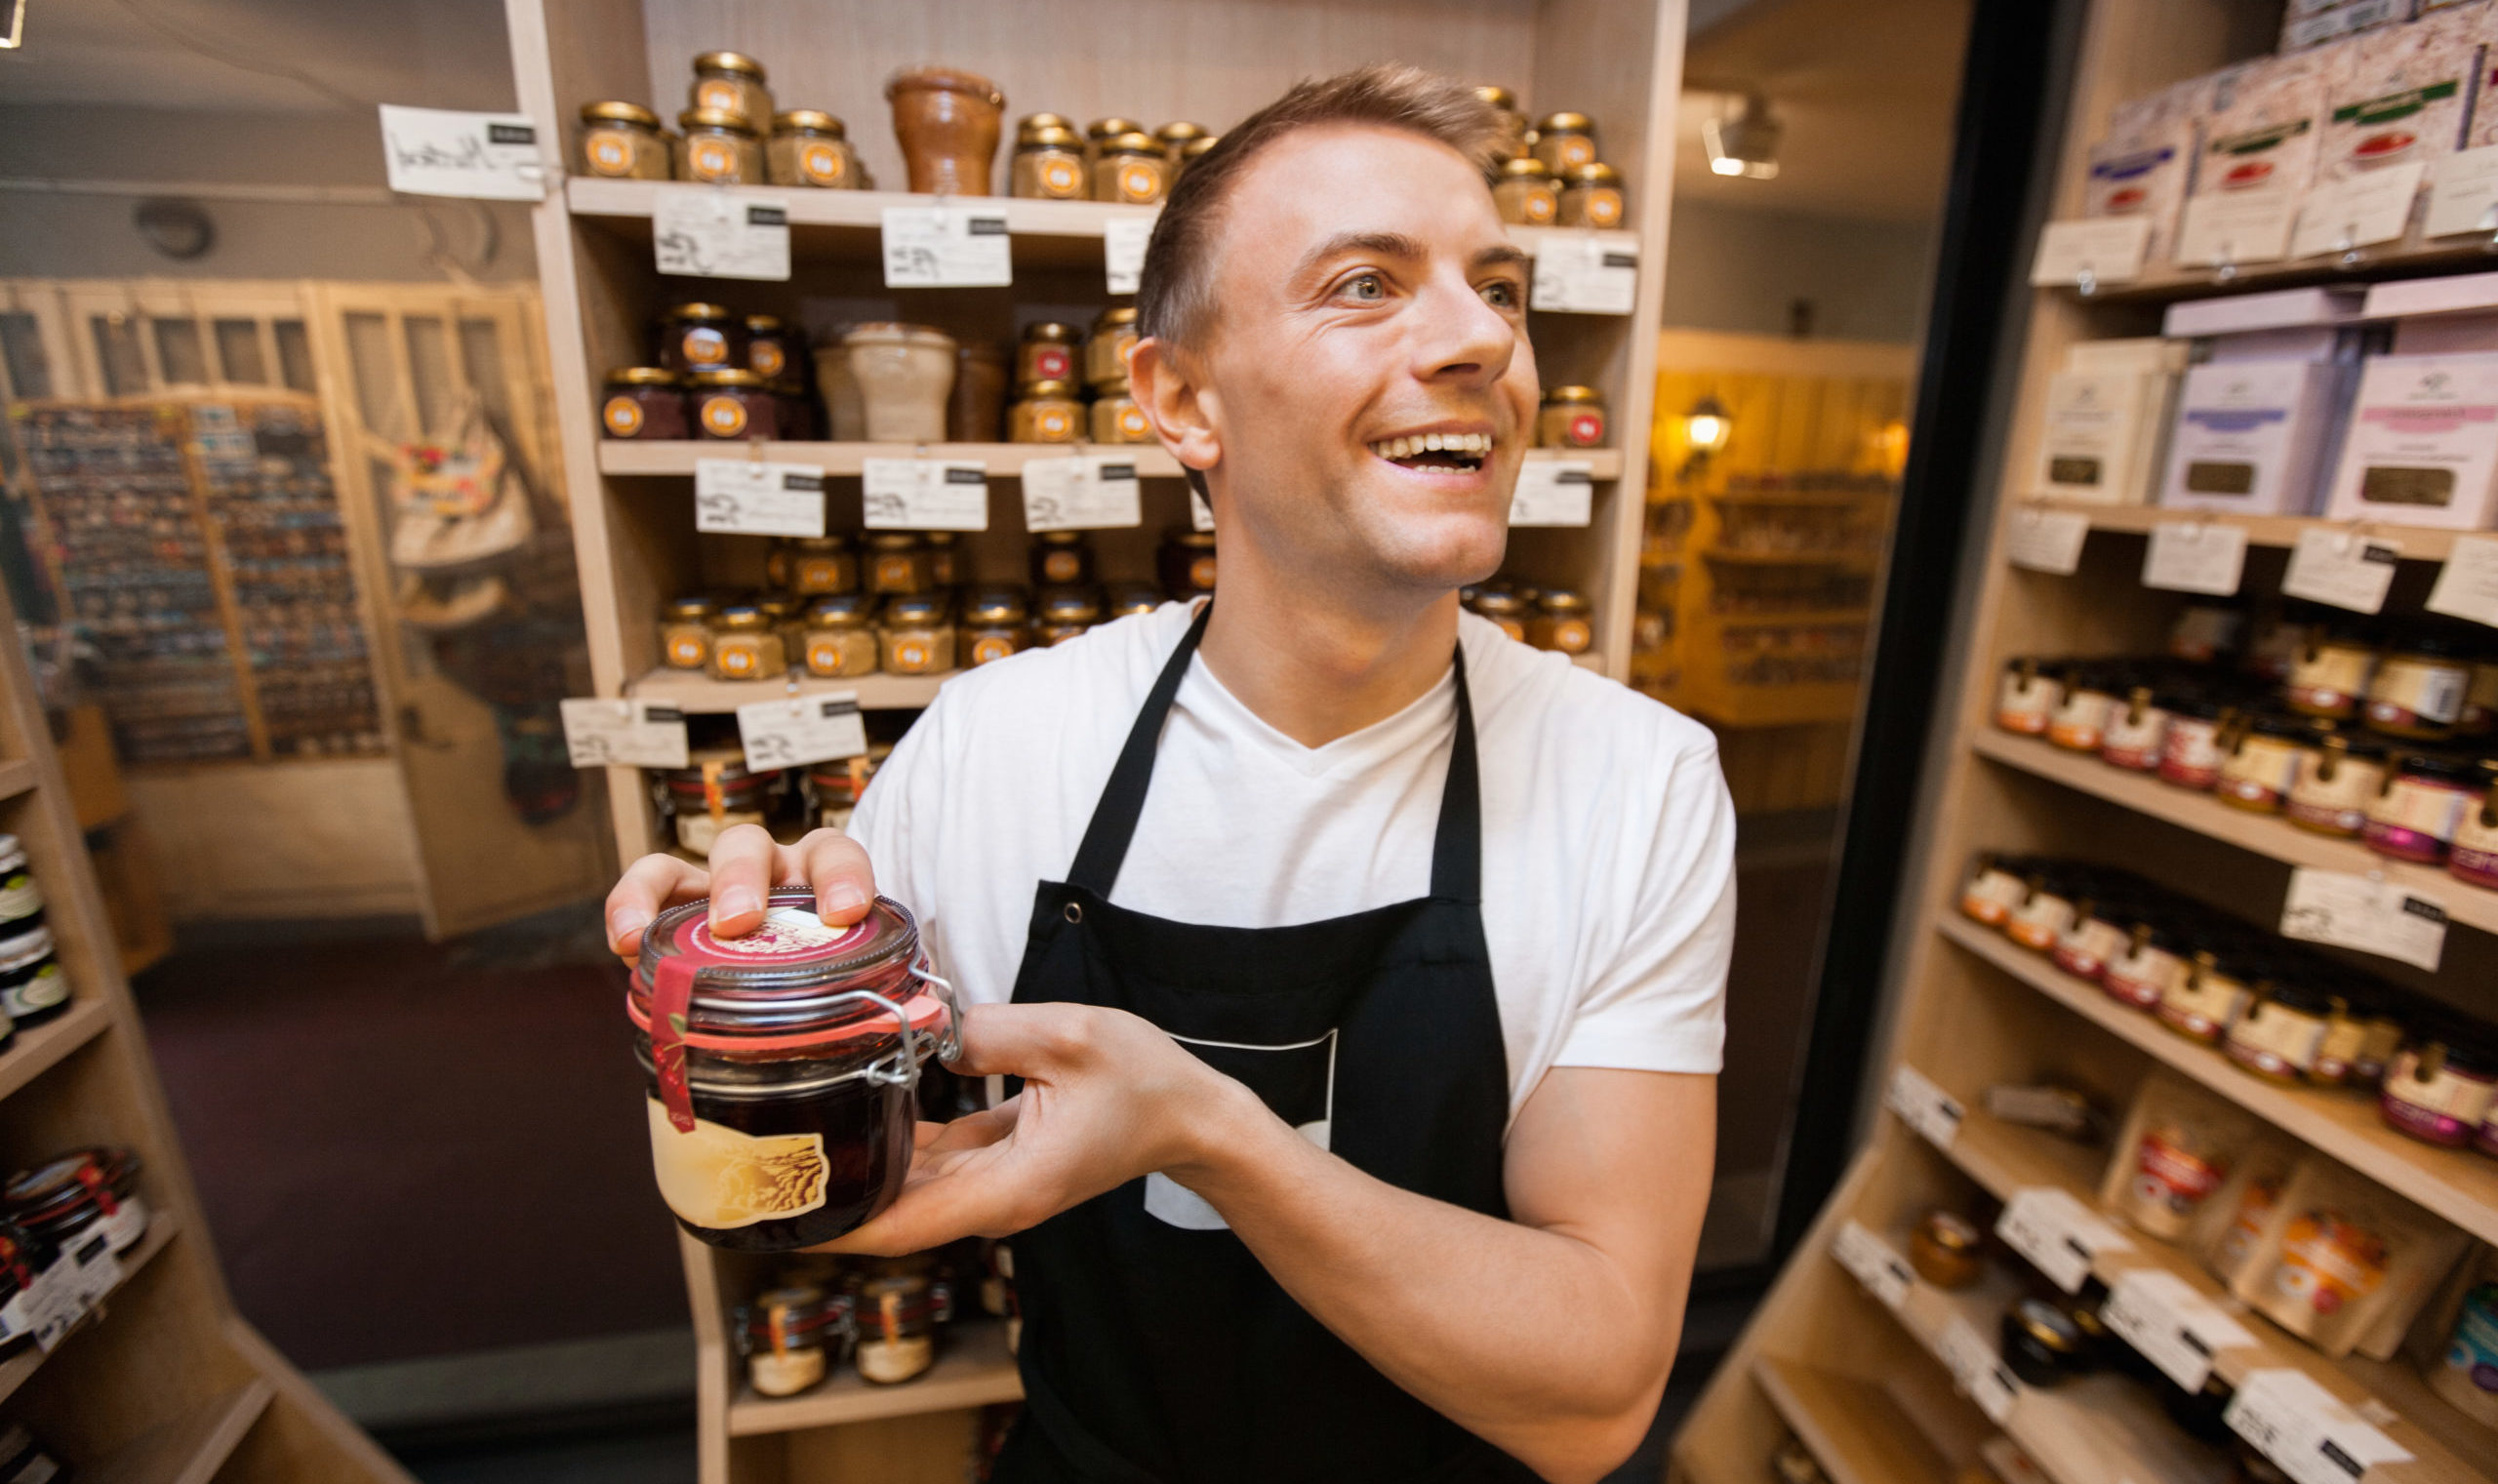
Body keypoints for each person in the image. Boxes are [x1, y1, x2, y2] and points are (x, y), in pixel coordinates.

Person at [606, 65, 1734, 1484]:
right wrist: (738, 985)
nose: (1483, 340)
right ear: (1183, 400)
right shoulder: (997, 744)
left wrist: (1209, 1133)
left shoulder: (1639, 781)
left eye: (1500, 289)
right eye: (1367, 285)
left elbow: (1595, 1394)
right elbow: (784, 1178)